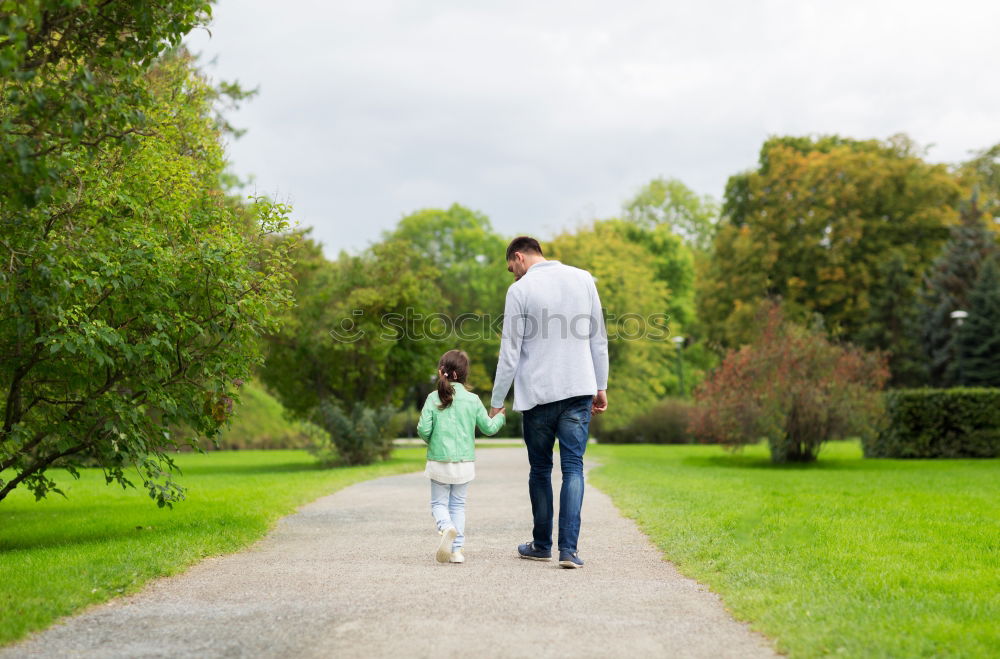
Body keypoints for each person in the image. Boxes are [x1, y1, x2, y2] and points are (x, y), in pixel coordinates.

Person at [490, 236, 609, 569]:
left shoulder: (520, 290)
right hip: (578, 389)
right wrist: (601, 385)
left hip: (538, 395)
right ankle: (568, 551)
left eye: (511, 266)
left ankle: (542, 545)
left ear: (519, 257)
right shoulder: (583, 278)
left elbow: (510, 351)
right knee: (573, 468)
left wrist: (497, 399)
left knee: (541, 470)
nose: (512, 273)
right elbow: (598, 338)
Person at [417, 349, 506, 564]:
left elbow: (423, 429)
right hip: (465, 464)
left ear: (441, 372)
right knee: (457, 505)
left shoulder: (433, 398)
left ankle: (446, 527)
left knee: (439, 504)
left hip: (439, 461)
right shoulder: (473, 400)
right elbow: (488, 428)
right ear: (465, 374)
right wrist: (501, 417)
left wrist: (433, 441)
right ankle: (456, 552)